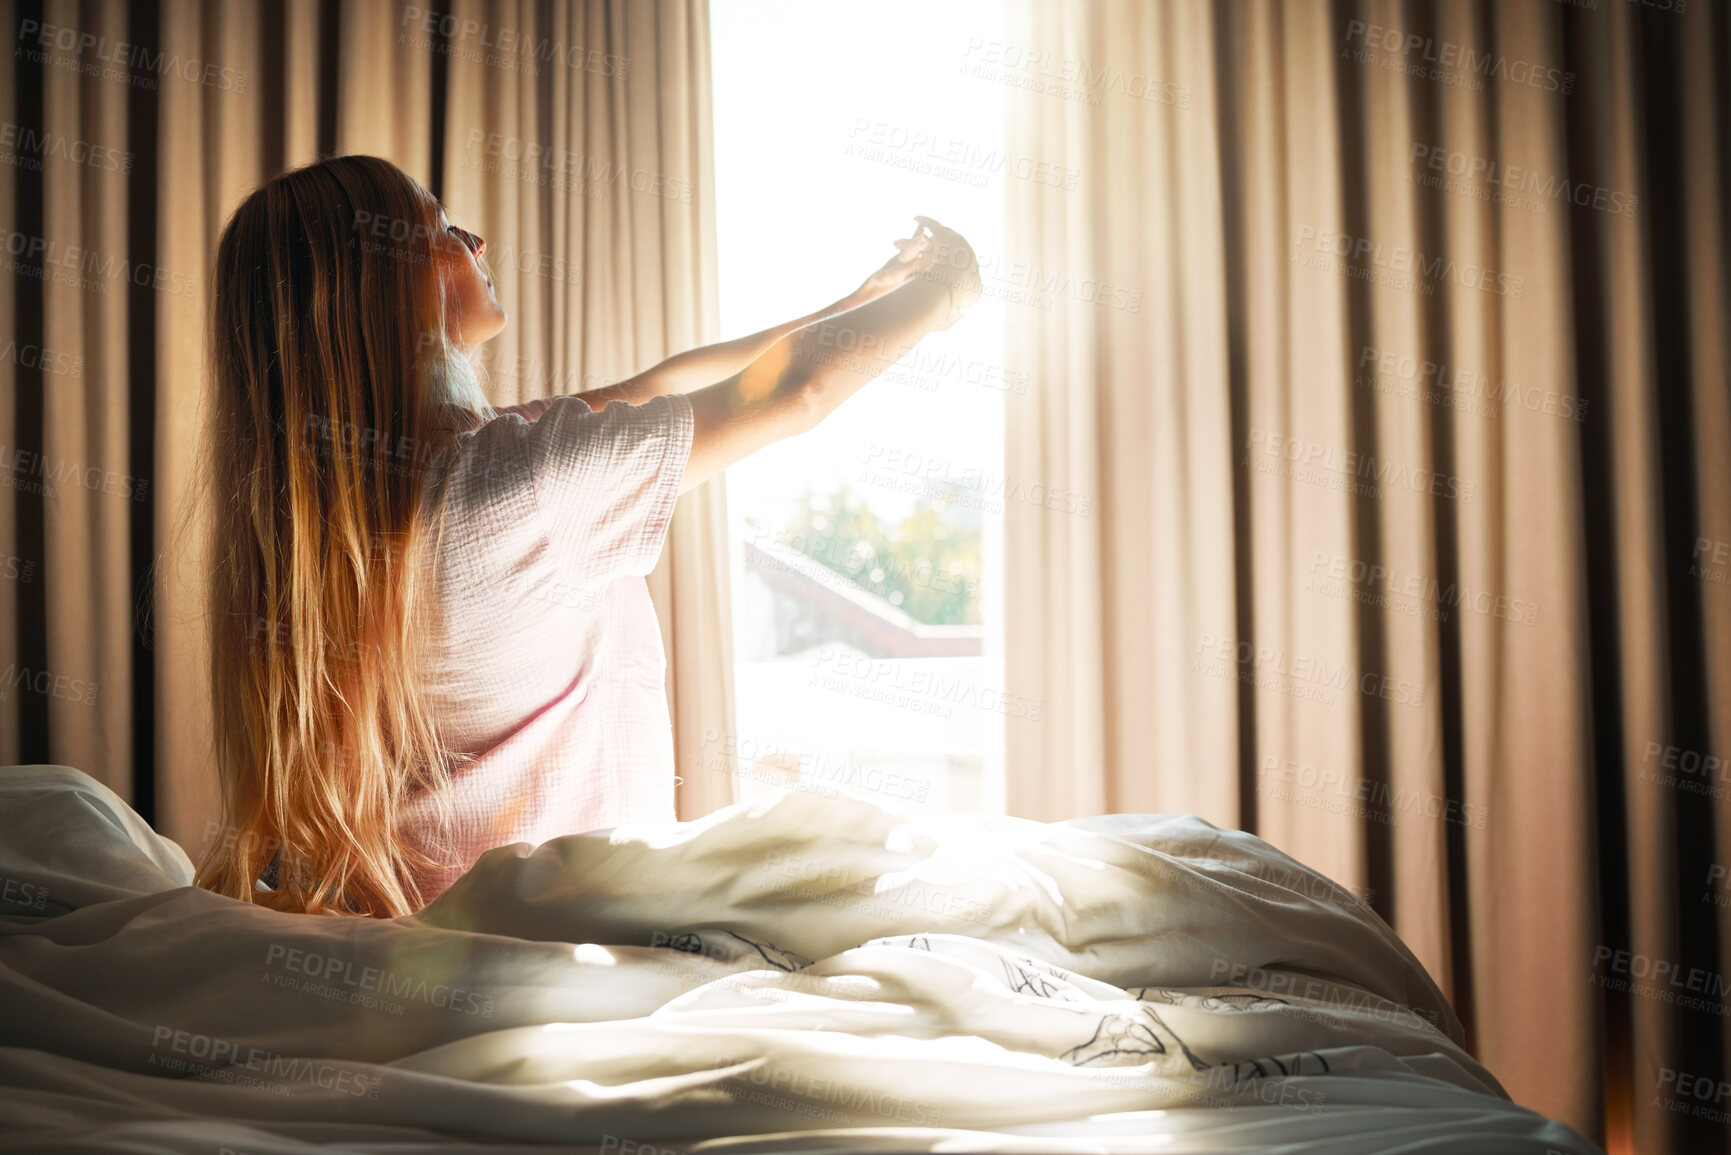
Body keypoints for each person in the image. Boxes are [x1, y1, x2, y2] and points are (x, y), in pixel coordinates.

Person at [191, 154, 980, 916]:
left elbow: (661, 384)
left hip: (408, 925)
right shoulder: (520, 485)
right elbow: (796, 392)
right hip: (560, 930)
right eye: (442, 228)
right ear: (380, 283)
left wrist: (860, 298)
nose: (478, 242)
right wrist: (948, 289)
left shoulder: (338, 518)